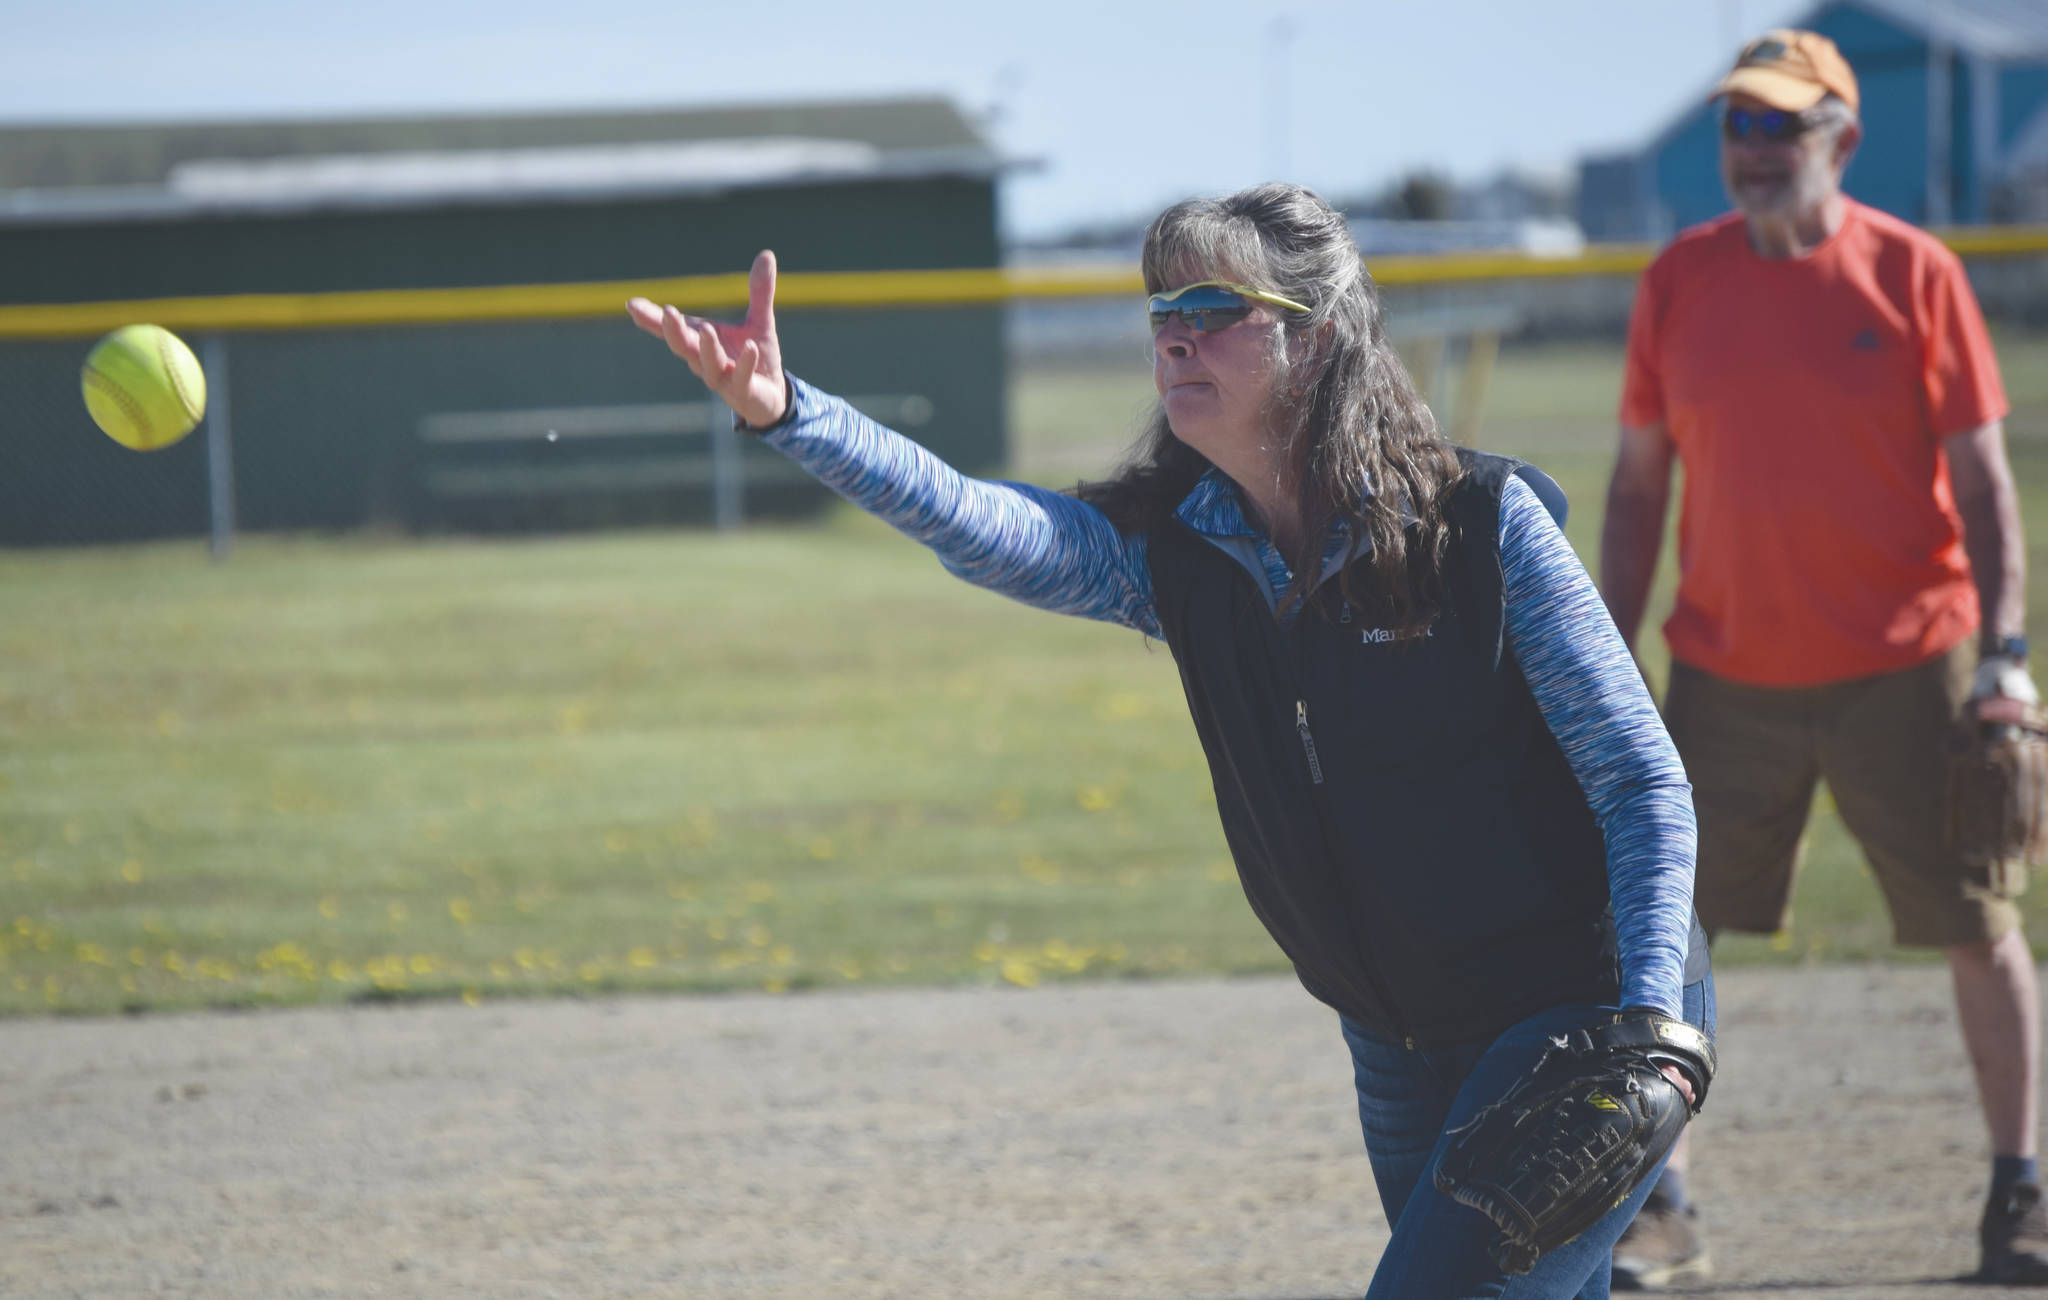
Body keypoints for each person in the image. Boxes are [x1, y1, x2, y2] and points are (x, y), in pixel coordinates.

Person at [629, 182, 1713, 1298]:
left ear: (1317, 337)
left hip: (1574, 1012)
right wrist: (789, 412)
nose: (1173, 333)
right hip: (1394, 1038)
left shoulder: (1476, 527)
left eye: (1212, 303)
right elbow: (976, 518)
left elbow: (1638, 780)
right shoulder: (1180, 554)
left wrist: (1647, 1027)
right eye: (1159, 309)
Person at [1600, 29, 2045, 1290]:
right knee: (1659, 934)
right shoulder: (1677, 281)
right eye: (1738, 124)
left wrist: (2004, 655)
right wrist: (1607, 655)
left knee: (1979, 925)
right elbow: (1636, 494)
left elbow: (1984, 484)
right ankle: (1657, 1199)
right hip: (1724, 671)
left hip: (1907, 664)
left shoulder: (1912, 274)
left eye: (1779, 126)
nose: (1751, 149)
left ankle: (2019, 1192)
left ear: (1840, 141)